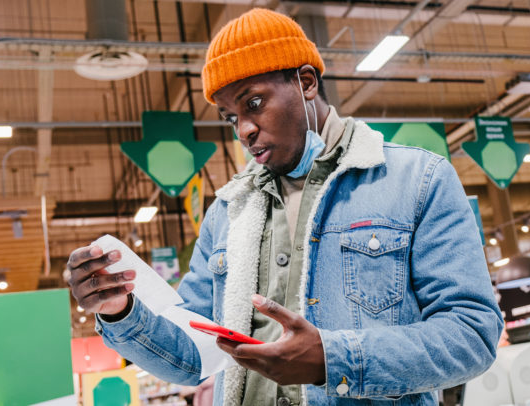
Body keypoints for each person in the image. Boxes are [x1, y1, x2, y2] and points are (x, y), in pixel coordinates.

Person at [67, 8, 503, 405]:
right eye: (230, 117)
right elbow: (193, 358)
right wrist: (120, 310)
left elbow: (472, 335)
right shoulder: (227, 213)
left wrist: (334, 360)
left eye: (253, 103)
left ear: (306, 82)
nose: (244, 130)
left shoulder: (416, 180)